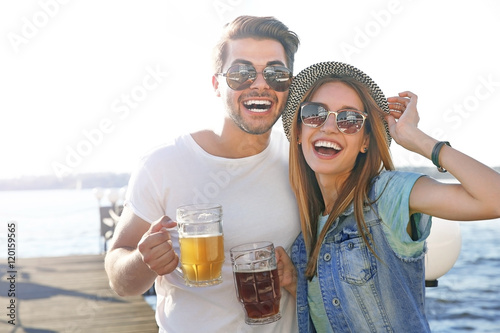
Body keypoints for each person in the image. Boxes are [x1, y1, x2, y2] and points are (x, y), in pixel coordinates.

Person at [104, 16, 301, 332]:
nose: (260, 84)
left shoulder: (304, 163)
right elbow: (119, 278)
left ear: (288, 85)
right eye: (241, 73)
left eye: (276, 74)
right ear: (216, 84)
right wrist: (143, 262)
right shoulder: (163, 164)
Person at [276, 61, 500, 332]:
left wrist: (416, 138)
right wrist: (296, 284)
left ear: (366, 142)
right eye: (315, 113)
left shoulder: (385, 196)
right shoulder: (306, 234)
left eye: (350, 119)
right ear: (299, 131)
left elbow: (494, 198)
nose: (329, 127)